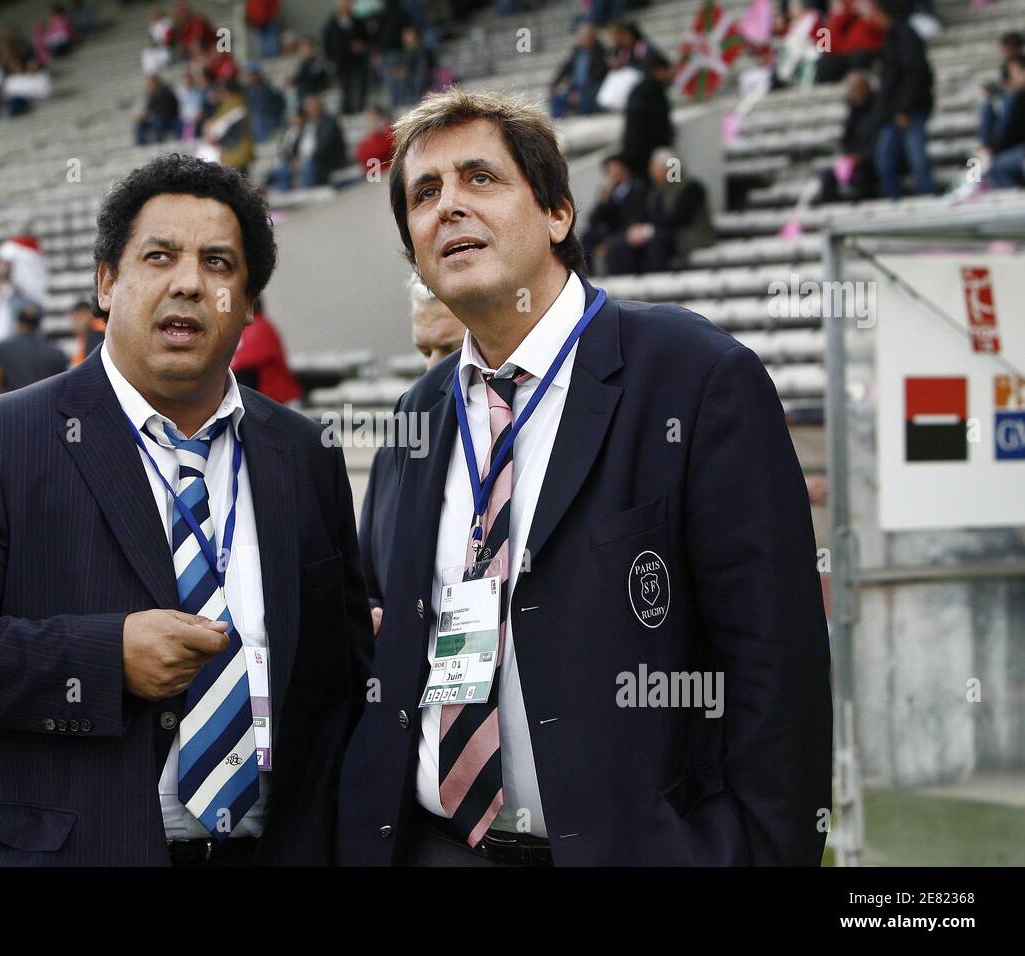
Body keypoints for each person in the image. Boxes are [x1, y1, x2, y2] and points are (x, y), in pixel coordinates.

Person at [337, 88, 831, 866]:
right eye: (425, 194)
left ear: (559, 213)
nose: (450, 207)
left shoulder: (694, 378)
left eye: (481, 179)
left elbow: (776, 663)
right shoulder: (416, 421)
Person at [0, 152, 373, 866]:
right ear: (106, 282)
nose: (189, 282)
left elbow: (339, 676)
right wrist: (103, 659)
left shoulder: (305, 454)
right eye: (159, 256)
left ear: (247, 304)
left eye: (219, 264)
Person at [359, 275, 466, 631]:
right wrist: (371, 617)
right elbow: (369, 583)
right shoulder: (394, 453)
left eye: (450, 351)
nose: (432, 369)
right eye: (424, 351)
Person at [606, 148, 715, 275]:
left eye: (655, 168)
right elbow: (647, 215)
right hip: (663, 234)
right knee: (619, 243)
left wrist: (648, 231)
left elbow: (678, 218)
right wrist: (638, 229)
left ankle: (657, 285)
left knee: (657, 242)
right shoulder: (657, 191)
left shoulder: (691, 187)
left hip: (690, 236)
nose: (651, 173)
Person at [873, 0, 935, 198]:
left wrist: (904, 108)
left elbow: (915, 74)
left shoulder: (905, 35)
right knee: (885, 160)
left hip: (907, 110)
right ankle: (896, 201)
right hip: (894, 110)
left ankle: (927, 199)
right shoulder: (893, 37)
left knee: (917, 159)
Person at [0, 304, 68, 398]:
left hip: (13, 407)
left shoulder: (2, 348)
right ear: (39, 324)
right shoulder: (57, 353)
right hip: (47, 408)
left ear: (17, 324)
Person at [818, 71, 882, 203]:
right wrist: (849, 156)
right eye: (851, 89)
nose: (854, 92)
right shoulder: (853, 112)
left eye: (856, 88)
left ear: (865, 88)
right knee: (827, 176)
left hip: (873, 160)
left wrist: (862, 156)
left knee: (864, 176)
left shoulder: (878, 109)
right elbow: (846, 140)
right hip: (854, 160)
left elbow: (879, 140)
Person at [579, 152, 649, 272]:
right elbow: (593, 220)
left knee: (615, 243)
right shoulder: (607, 192)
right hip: (612, 231)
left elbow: (639, 214)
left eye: (615, 168)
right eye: (609, 170)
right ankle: (588, 275)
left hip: (630, 230)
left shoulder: (638, 187)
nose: (612, 173)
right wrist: (603, 201)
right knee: (587, 237)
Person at [229, 298, 301, 404]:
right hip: (268, 401)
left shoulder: (257, 328)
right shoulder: (256, 326)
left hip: (276, 402)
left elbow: (242, 362)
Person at [620, 51, 674, 179]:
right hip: (651, 152)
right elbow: (659, 126)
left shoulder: (637, 90)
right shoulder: (655, 92)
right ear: (659, 71)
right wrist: (667, 143)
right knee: (671, 180)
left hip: (634, 153)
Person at [980, 55, 1025, 189]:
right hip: (1016, 150)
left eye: (1013, 74)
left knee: (994, 166)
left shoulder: (1016, 99)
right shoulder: (1016, 99)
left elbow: (1010, 131)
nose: (1011, 79)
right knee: (981, 163)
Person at [549, 22, 608, 119]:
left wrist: (581, 93)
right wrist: (554, 85)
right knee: (556, 98)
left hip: (592, 86)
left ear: (592, 37)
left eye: (586, 37)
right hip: (575, 86)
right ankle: (557, 122)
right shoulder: (577, 51)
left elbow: (598, 75)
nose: (583, 40)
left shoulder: (600, 51)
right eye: (581, 37)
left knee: (583, 102)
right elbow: (565, 68)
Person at [136, 74, 180, 145]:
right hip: (157, 119)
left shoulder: (165, 91)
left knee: (157, 122)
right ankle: (140, 145)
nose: (147, 86)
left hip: (169, 118)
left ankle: (158, 144)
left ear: (155, 82)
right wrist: (143, 116)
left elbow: (168, 109)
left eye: (149, 83)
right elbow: (148, 108)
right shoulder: (151, 94)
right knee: (140, 124)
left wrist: (149, 116)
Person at [69, 299, 107, 366]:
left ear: (88, 314)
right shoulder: (85, 338)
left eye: (78, 318)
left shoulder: (97, 335)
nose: (75, 323)